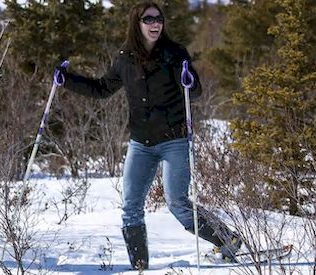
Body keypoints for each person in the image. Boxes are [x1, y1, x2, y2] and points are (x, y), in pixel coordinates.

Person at [56, 2, 242, 270]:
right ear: (137, 23)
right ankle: (140, 266)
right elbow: (101, 89)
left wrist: (190, 81)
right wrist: (67, 80)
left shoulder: (176, 54)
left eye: (159, 19)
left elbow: (196, 91)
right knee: (131, 206)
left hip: (174, 141)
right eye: (149, 19)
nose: (155, 24)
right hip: (140, 144)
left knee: (177, 202)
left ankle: (228, 240)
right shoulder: (124, 59)